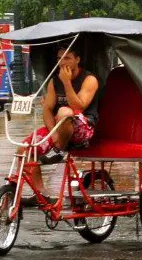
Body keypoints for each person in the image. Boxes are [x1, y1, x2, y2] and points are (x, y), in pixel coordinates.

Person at [22, 44, 100, 200]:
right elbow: (48, 109)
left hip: (83, 127)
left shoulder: (89, 79)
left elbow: (79, 106)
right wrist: (53, 132)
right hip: (58, 128)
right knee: (26, 149)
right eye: (59, 58)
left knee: (65, 111)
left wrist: (67, 83)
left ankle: (58, 151)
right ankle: (41, 194)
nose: (63, 62)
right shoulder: (54, 81)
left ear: (77, 60)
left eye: (67, 58)